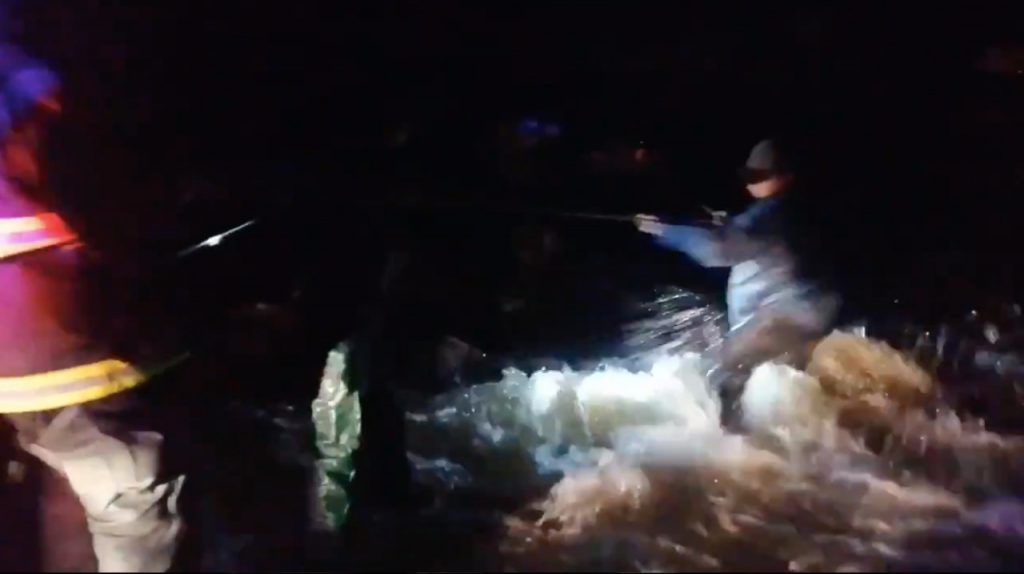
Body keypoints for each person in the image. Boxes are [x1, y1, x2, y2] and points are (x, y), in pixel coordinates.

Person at [0, 45, 187, 572]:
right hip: (54, 344)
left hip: (27, 347)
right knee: (129, 504)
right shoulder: (30, 83)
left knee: (47, 489)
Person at [635, 139, 841, 400]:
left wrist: (663, 230)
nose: (751, 182)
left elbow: (717, 251)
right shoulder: (800, 209)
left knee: (717, 381)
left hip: (780, 322)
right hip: (812, 319)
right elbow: (750, 238)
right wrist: (729, 223)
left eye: (761, 175)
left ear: (786, 176)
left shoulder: (770, 214)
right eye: (749, 175)